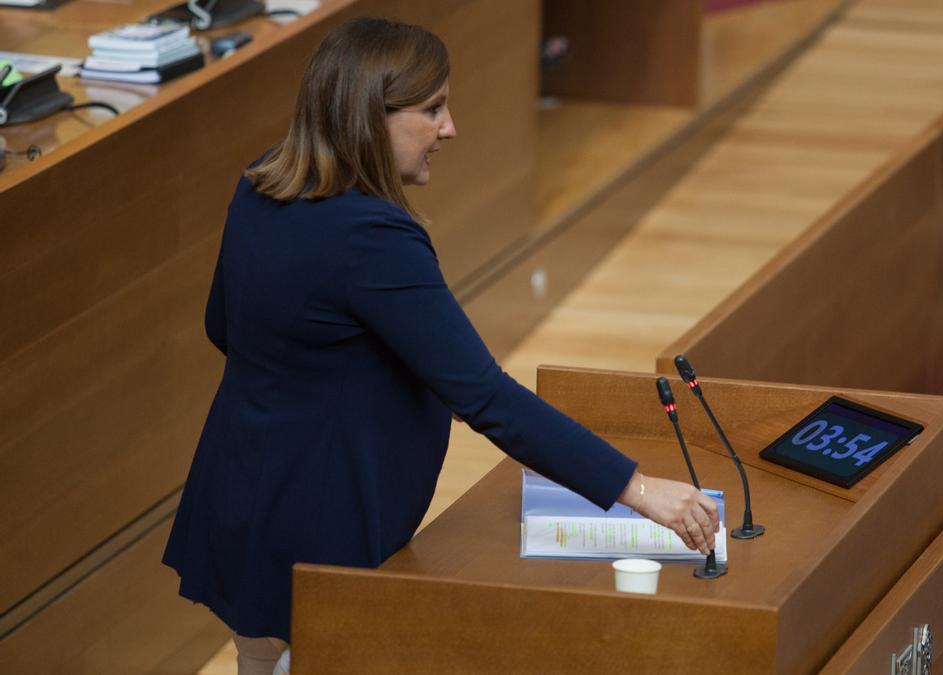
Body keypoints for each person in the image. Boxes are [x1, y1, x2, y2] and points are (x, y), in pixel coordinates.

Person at [162, 17, 718, 675]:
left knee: (257, 656)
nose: (449, 128)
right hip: (323, 519)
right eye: (431, 109)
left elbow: (222, 326)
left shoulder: (260, 183)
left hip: (241, 483)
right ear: (370, 116)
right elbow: (486, 397)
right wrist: (641, 489)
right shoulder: (373, 237)